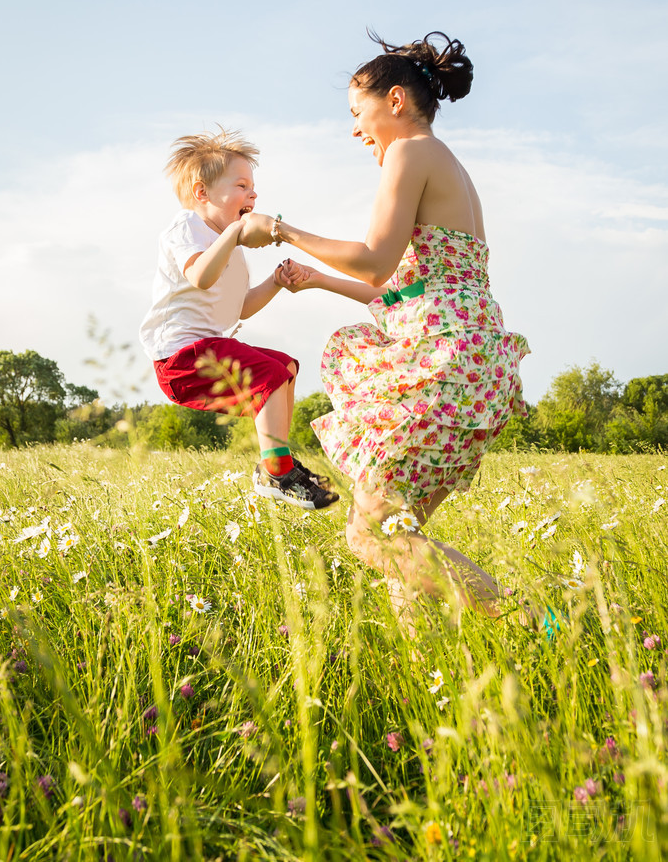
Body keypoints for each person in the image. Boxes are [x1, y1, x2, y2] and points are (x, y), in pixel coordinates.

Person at [238, 31, 531, 625]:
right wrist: (319, 279)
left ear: (395, 100)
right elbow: (399, 286)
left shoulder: (411, 151)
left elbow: (374, 259)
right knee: (400, 534)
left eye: (357, 113)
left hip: (444, 362)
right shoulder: (446, 164)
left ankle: (537, 624)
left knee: (372, 537)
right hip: (472, 364)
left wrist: (282, 230)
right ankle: (423, 674)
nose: (355, 130)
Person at [139, 128, 339, 511]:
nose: (254, 195)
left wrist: (276, 282)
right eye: (243, 185)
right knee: (270, 376)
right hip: (179, 358)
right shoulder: (187, 227)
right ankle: (278, 472)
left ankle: (279, 464)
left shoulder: (231, 249)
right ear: (203, 194)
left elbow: (241, 308)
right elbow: (200, 276)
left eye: (254, 187)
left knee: (285, 367)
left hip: (209, 348)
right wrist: (233, 232)